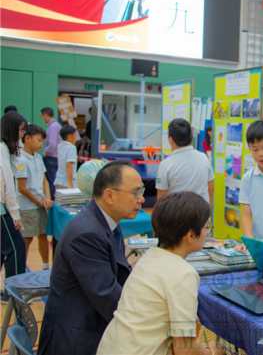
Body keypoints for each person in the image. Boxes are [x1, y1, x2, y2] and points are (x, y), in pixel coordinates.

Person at [97, 192, 224, 355]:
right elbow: (184, 350)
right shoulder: (184, 274)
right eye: (207, 227)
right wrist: (211, 351)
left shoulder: (148, 257)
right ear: (191, 235)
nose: (207, 232)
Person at [38, 160, 144, 355]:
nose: (142, 200)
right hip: (76, 340)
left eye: (142, 191)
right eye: (136, 192)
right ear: (110, 196)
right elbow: (108, 298)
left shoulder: (105, 221)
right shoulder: (87, 234)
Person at [16, 124, 53, 269]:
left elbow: (44, 179)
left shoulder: (38, 158)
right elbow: (22, 188)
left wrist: (48, 197)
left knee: (43, 235)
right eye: (38, 140)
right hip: (29, 207)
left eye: (42, 141)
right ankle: (22, 267)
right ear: (27, 139)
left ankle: (45, 266)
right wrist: (38, 201)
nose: (40, 144)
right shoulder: (21, 160)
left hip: (41, 204)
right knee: (27, 238)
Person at [0, 111, 28, 303]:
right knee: (17, 247)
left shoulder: (5, 148)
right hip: (3, 209)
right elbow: (7, 183)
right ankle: (13, 293)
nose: (21, 135)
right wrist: (15, 213)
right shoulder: (1, 147)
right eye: (20, 131)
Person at [156, 119, 214, 208]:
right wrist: (208, 211)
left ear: (171, 140)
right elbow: (210, 187)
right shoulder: (204, 158)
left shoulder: (166, 165)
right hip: (202, 214)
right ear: (190, 137)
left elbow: (161, 198)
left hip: (177, 216)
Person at [40, 107, 62, 198]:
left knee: (51, 181)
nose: (42, 118)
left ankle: (52, 200)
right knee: (54, 181)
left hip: (51, 158)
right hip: (56, 157)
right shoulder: (57, 125)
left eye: (41, 116)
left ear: (45, 115)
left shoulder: (52, 127)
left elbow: (52, 144)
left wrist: (45, 153)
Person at [54, 125, 77, 189]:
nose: (76, 138)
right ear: (70, 137)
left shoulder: (60, 146)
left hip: (58, 181)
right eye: (75, 135)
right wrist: (70, 184)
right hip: (67, 182)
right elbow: (69, 165)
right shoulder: (72, 148)